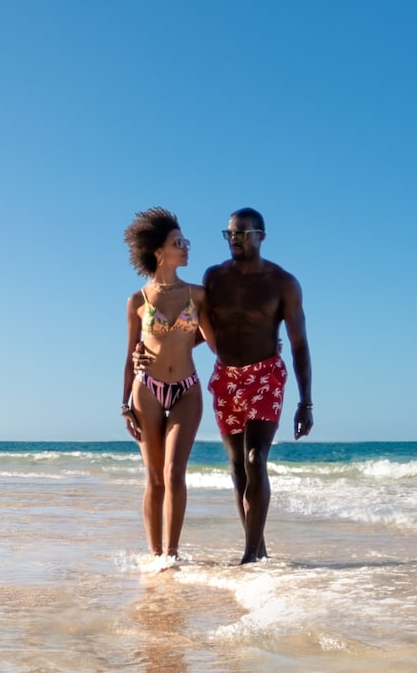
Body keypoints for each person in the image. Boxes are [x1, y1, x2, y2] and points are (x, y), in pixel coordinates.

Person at [200, 207, 311, 564]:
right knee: (236, 468)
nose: (234, 239)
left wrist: (306, 402)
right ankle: (258, 548)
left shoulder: (283, 282)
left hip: (266, 377)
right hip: (226, 378)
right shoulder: (214, 277)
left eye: (242, 233)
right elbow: (202, 328)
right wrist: (155, 349)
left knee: (255, 458)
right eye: (229, 233)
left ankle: (249, 555)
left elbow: (298, 343)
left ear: (261, 236)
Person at [121, 207, 212, 564]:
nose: (187, 247)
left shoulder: (199, 295)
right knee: (155, 479)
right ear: (160, 251)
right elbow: (129, 355)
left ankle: (170, 557)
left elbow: (215, 340)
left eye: (185, 241)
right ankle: (154, 555)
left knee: (175, 473)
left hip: (187, 388)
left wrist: (263, 344)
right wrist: (123, 403)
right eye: (179, 242)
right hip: (147, 390)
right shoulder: (137, 301)